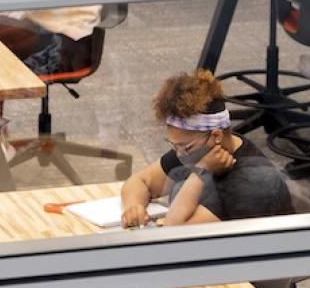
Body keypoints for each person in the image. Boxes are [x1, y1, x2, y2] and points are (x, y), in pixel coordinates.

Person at [120, 70, 294, 227]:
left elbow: (174, 234)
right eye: (175, 146)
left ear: (216, 136)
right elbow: (140, 181)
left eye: (185, 147)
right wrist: (134, 207)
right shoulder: (196, 150)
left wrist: (199, 174)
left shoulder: (249, 184)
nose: (180, 156)